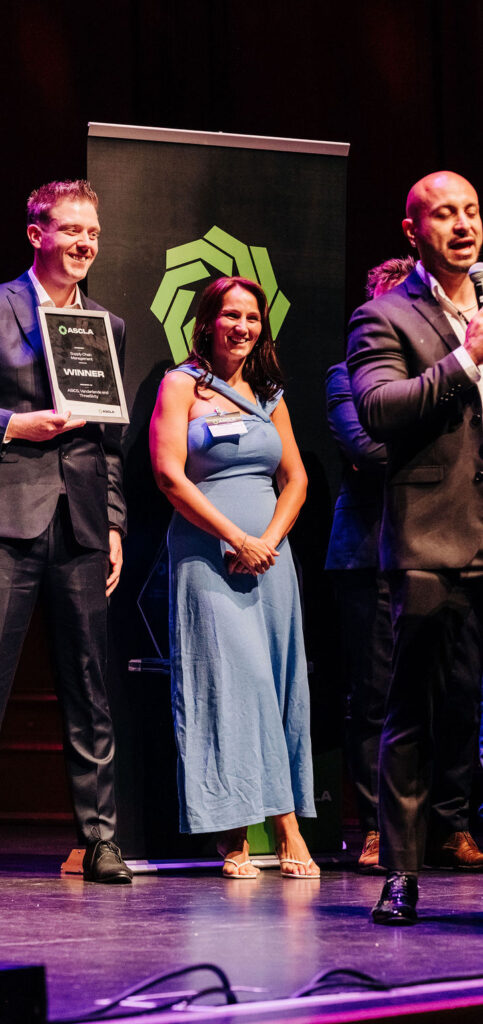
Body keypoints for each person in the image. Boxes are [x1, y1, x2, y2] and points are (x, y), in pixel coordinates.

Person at [0, 179, 132, 886]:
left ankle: (100, 839)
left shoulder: (105, 324)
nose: (83, 244)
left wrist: (113, 522)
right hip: (4, 520)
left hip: (81, 526)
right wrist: (10, 423)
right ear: (37, 234)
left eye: (92, 233)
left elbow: (109, 443)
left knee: (91, 689)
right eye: (71, 230)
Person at [347, 171, 483, 924]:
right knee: (412, 713)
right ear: (413, 231)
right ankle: (400, 872)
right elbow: (378, 408)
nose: (462, 225)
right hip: (432, 539)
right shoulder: (384, 315)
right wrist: (465, 359)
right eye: (444, 214)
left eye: (471, 211)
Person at [149, 276, 318, 879]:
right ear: (207, 322)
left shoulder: (270, 395)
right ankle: (243, 827)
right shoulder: (181, 385)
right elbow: (169, 475)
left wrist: (266, 540)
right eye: (231, 315)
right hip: (210, 557)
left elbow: (296, 479)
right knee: (229, 683)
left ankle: (276, 819)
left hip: (271, 560)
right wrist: (235, 537)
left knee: (277, 683)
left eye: (252, 317)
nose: (242, 327)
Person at [325, 256, 414, 873]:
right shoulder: (344, 375)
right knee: (375, 696)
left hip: (439, 546)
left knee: (451, 692)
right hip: (368, 552)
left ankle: (448, 823)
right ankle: (377, 827)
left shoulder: (446, 375)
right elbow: (365, 448)